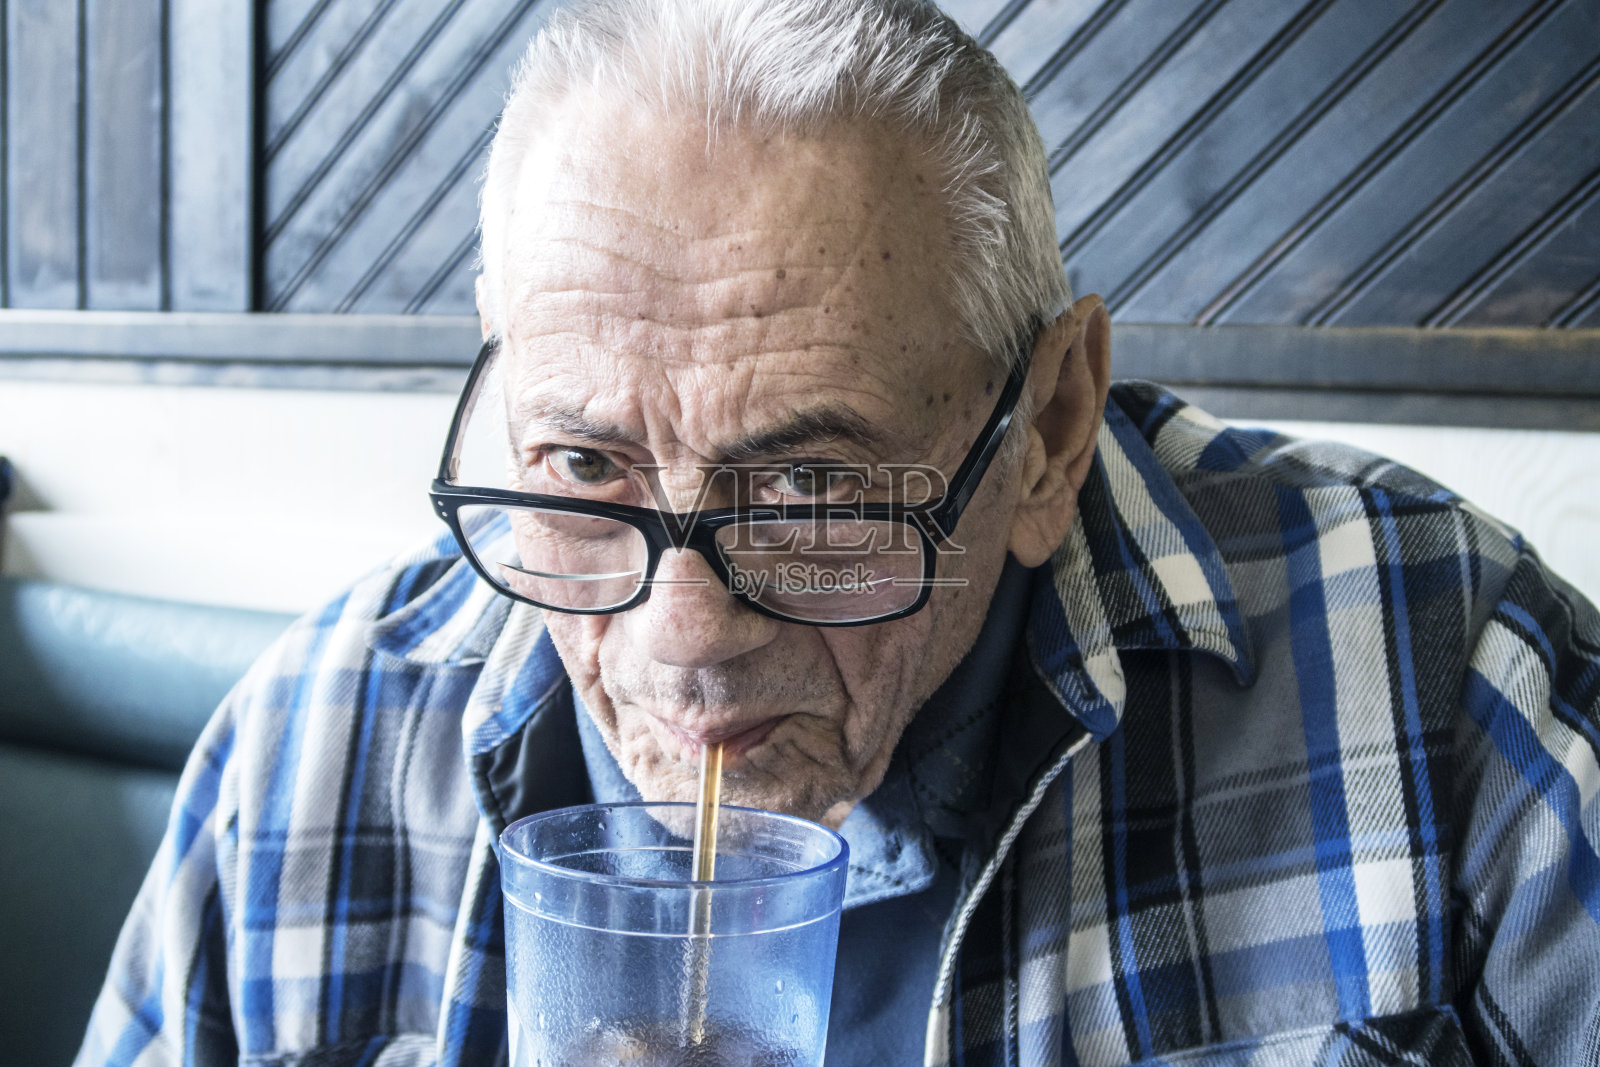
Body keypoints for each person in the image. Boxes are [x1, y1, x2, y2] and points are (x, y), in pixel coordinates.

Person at [78, 1, 1599, 1064]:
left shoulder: (1446, 687)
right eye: (584, 462)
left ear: (1050, 424)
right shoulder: (311, 751)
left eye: (808, 495)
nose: (682, 643)